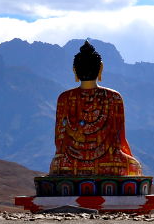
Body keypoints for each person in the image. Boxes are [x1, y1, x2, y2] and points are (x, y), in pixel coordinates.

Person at [49, 41, 143, 177]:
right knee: (132, 166)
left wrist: (61, 157)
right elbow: (120, 138)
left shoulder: (64, 98)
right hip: (110, 162)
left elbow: (60, 141)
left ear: (75, 70)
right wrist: (129, 156)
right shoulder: (114, 98)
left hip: (69, 163)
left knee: (58, 164)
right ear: (101, 69)